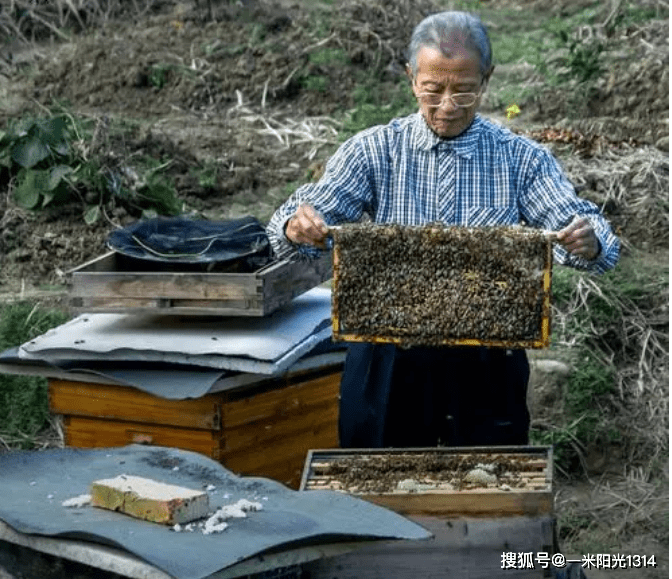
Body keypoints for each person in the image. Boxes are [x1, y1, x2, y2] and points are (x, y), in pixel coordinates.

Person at [266, 11, 620, 449]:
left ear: (486, 80)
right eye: (433, 90)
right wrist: (296, 226)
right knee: (375, 486)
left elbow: (591, 234)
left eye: (464, 90)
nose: (448, 105)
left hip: (488, 358)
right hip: (387, 353)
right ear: (412, 77)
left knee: (487, 486)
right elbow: (290, 227)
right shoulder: (374, 150)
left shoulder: (521, 159)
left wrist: (586, 241)